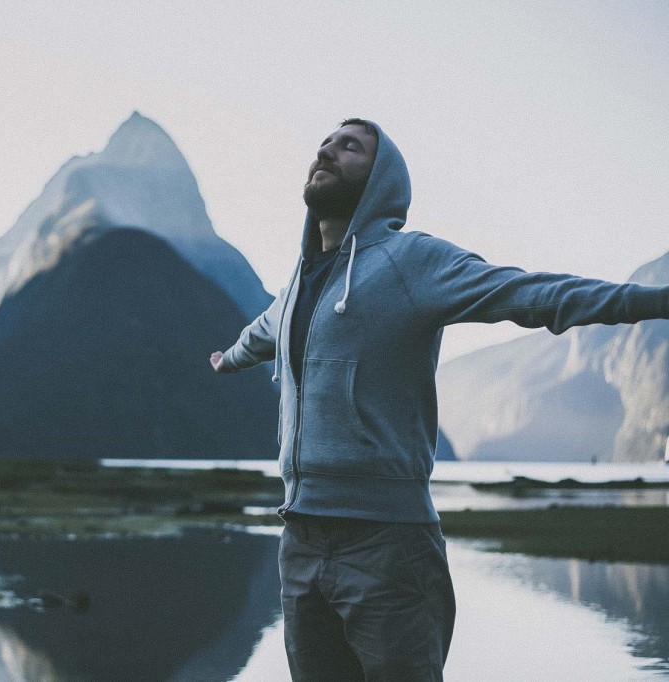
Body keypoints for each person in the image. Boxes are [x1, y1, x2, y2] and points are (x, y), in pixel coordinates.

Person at [209, 118, 669, 682]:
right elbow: (263, 332)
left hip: (387, 546)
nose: (327, 150)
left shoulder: (411, 262)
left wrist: (655, 301)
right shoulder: (297, 286)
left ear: (381, 180)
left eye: (349, 146)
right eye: (325, 143)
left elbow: (526, 292)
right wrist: (229, 357)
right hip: (300, 542)